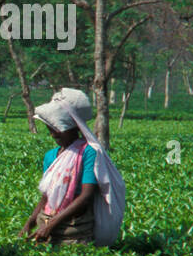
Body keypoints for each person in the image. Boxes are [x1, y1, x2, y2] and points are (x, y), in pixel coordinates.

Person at [21, 87, 125, 246]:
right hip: (45, 223)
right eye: (50, 128)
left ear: (75, 126)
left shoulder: (89, 152)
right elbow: (46, 196)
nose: (53, 134)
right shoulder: (50, 156)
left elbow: (86, 196)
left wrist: (52, 224)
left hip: (74, 229)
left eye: (58, 129)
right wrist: (30, 222)